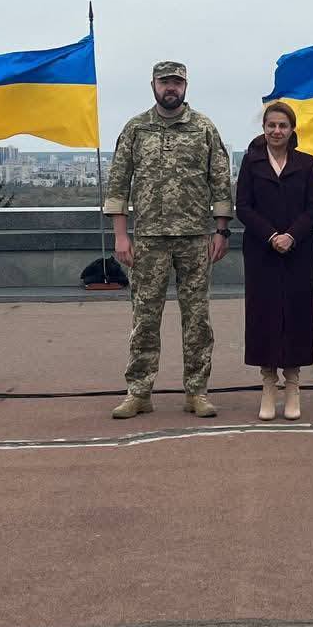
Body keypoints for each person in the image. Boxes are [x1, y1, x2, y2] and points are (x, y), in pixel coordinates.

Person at [103, 61, 232, 419]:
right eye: (164, 82)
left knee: (197, 320)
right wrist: (120, 236)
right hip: (149, 239)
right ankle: (139, 392)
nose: (170, 88)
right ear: (153, 86)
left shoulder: (203, 128)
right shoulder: (136, 129)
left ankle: (197, 392)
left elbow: (220, 181)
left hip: (195, 239)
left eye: (177, 82)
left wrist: (221, 230)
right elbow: (118, 184)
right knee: (145, 318)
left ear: (186, 86)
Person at [235, 101, 313, 420]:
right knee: (264, 314)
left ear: (292, 129)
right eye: (271, 125)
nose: (276, 131)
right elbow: (243, 206)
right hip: (262, 251)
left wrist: (291, 236)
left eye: (282, 125)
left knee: (297, 314)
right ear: (264, 128)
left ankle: (293, 385)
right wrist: (272, 236)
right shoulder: (251, 162)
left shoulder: (306, 162)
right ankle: (269, 386)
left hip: (299, 251)